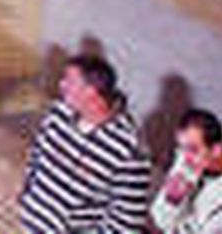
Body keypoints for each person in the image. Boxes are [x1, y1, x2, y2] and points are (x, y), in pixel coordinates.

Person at [21, 53, 152, 234]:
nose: (61, 85)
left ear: (90, 91)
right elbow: (36, 155)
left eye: (69, 81)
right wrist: (28, 197)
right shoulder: (58, 111)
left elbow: (126, 223)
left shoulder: (129, 151)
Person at [152, 109, 222, 234]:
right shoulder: (184, 165)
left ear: (216, 150)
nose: (185, 157)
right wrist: (172, 201)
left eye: (193, 149)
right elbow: (161, 222)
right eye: (181, 148)